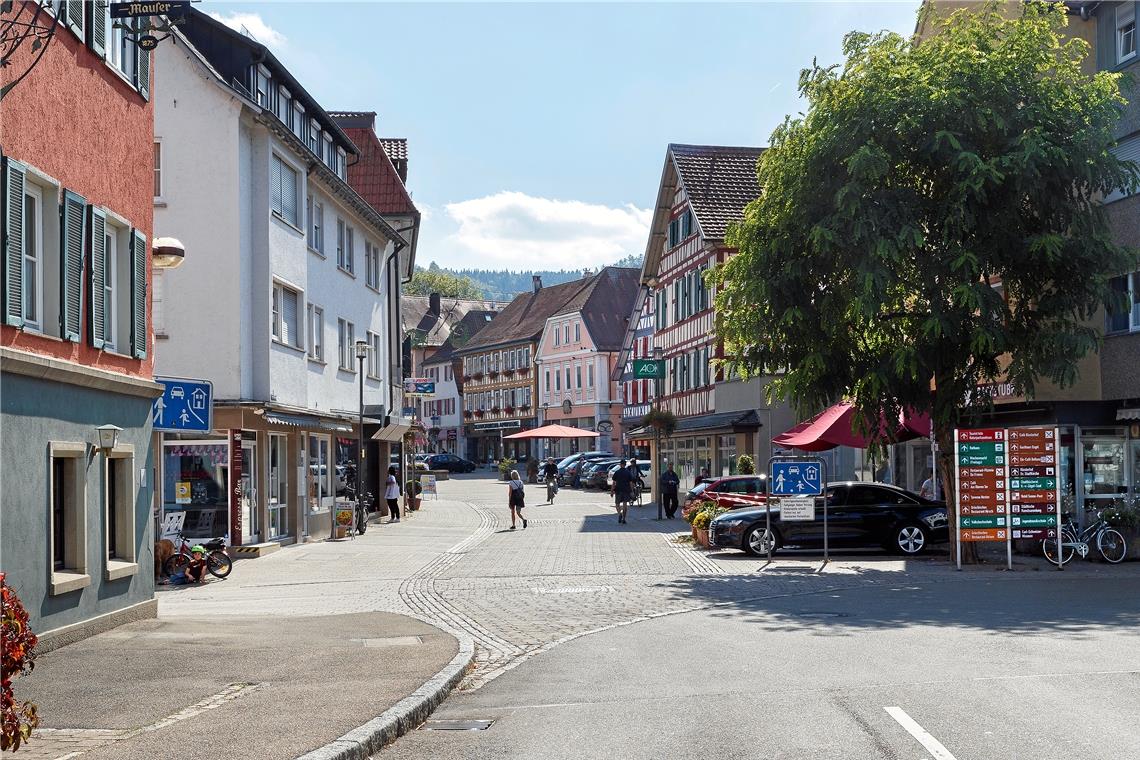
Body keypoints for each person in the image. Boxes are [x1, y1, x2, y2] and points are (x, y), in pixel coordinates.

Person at [612, 459, 634, 524]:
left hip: (618, 490)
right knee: (625, 505)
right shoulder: (628, 472)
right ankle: (624, 519)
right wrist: (632, 491)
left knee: (617, 504)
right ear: (625, 465)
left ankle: (619, 514)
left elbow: (614, 483)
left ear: (620, 464)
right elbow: (631, 483)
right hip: (626, 491)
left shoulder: (617, 472)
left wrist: (612, 491)